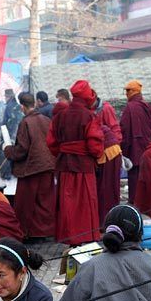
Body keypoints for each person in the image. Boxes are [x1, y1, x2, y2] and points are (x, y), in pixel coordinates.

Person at [46, 80, 104, 246]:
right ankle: (85, 236)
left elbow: (51, 142)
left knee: (68, 202)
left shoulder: (60, 116)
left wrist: (65, 151)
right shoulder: (89, 116)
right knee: (84, 202)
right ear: (87, 97)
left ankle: (69, 237)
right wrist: (94, 155)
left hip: (65, 165)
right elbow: (95, 145)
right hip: (84, 165)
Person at [3, 92, 55, 241]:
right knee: (44, 202)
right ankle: (44, 232)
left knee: (26, 203)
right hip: (48, 165)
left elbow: (22, 149)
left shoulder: (25, 123)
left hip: (32, 168)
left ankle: (27, 232)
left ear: (22, 107)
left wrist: (7, 150)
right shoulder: (46, 120)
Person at [92, 86, 124, 225]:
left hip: (109, 151)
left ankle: (108, 222)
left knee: (107, 189)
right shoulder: (91, 111)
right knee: (106, 189)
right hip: (105, 149)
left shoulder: (105, 108)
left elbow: (115, 129)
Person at [119, 80, 151, 204]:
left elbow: (124, 128)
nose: (126, 94)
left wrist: (123, 146)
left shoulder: (130, 107)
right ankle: (144, 200)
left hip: (134, 145)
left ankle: (134, 201)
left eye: (128, 91)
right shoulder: (146, 105)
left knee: (134, 175)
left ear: (134, 91)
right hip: (145, 144)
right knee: (143, 174)